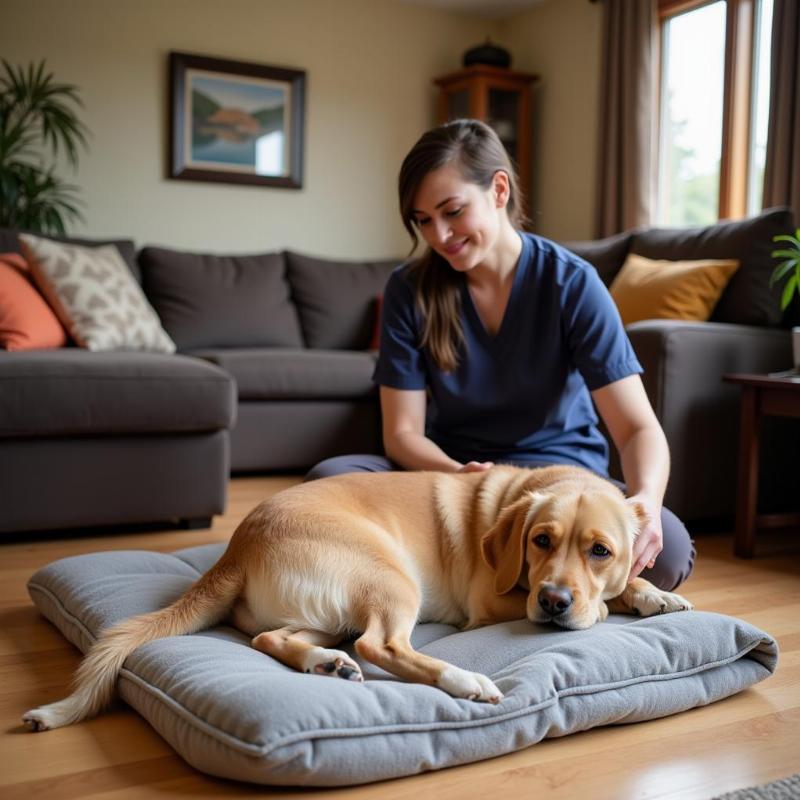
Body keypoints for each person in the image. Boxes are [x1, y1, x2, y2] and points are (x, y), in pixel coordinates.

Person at [306, 119, 694, 592]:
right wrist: (457, 474)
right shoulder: (409, 291)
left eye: (452, 211)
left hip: (557, 483)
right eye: (423, 220)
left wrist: (646, 507)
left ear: (499, 190)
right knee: (328, 483)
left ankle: (473, 576)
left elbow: (636, 428)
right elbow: (402, 433)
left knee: (668, 553)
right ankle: (452, 578)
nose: (440, 234)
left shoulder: (571, 284)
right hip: (454, 480)